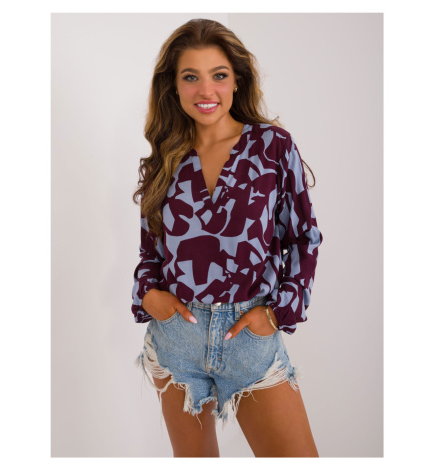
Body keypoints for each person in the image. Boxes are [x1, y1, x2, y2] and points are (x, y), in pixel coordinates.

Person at [131, 18, 323, 458]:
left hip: (249, 336)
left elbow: (304, 237)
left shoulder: (272, 147)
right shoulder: (165, 156)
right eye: (190, 77)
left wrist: (278, 312)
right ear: (173, 86)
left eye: (218, 75)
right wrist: (148, 295)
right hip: (177, 337)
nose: (206, 90)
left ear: (237, 80)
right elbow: (151, 251)